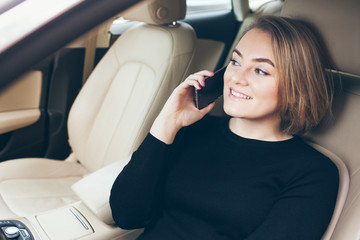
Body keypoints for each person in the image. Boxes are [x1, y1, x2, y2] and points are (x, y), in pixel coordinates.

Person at [110, 16, 339, 240]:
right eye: (235, 62)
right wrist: (166, 123)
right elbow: (126, 215)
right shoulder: (192, 130)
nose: (236, 78)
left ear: (296, 88)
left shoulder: (312, 173)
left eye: (260, 70)